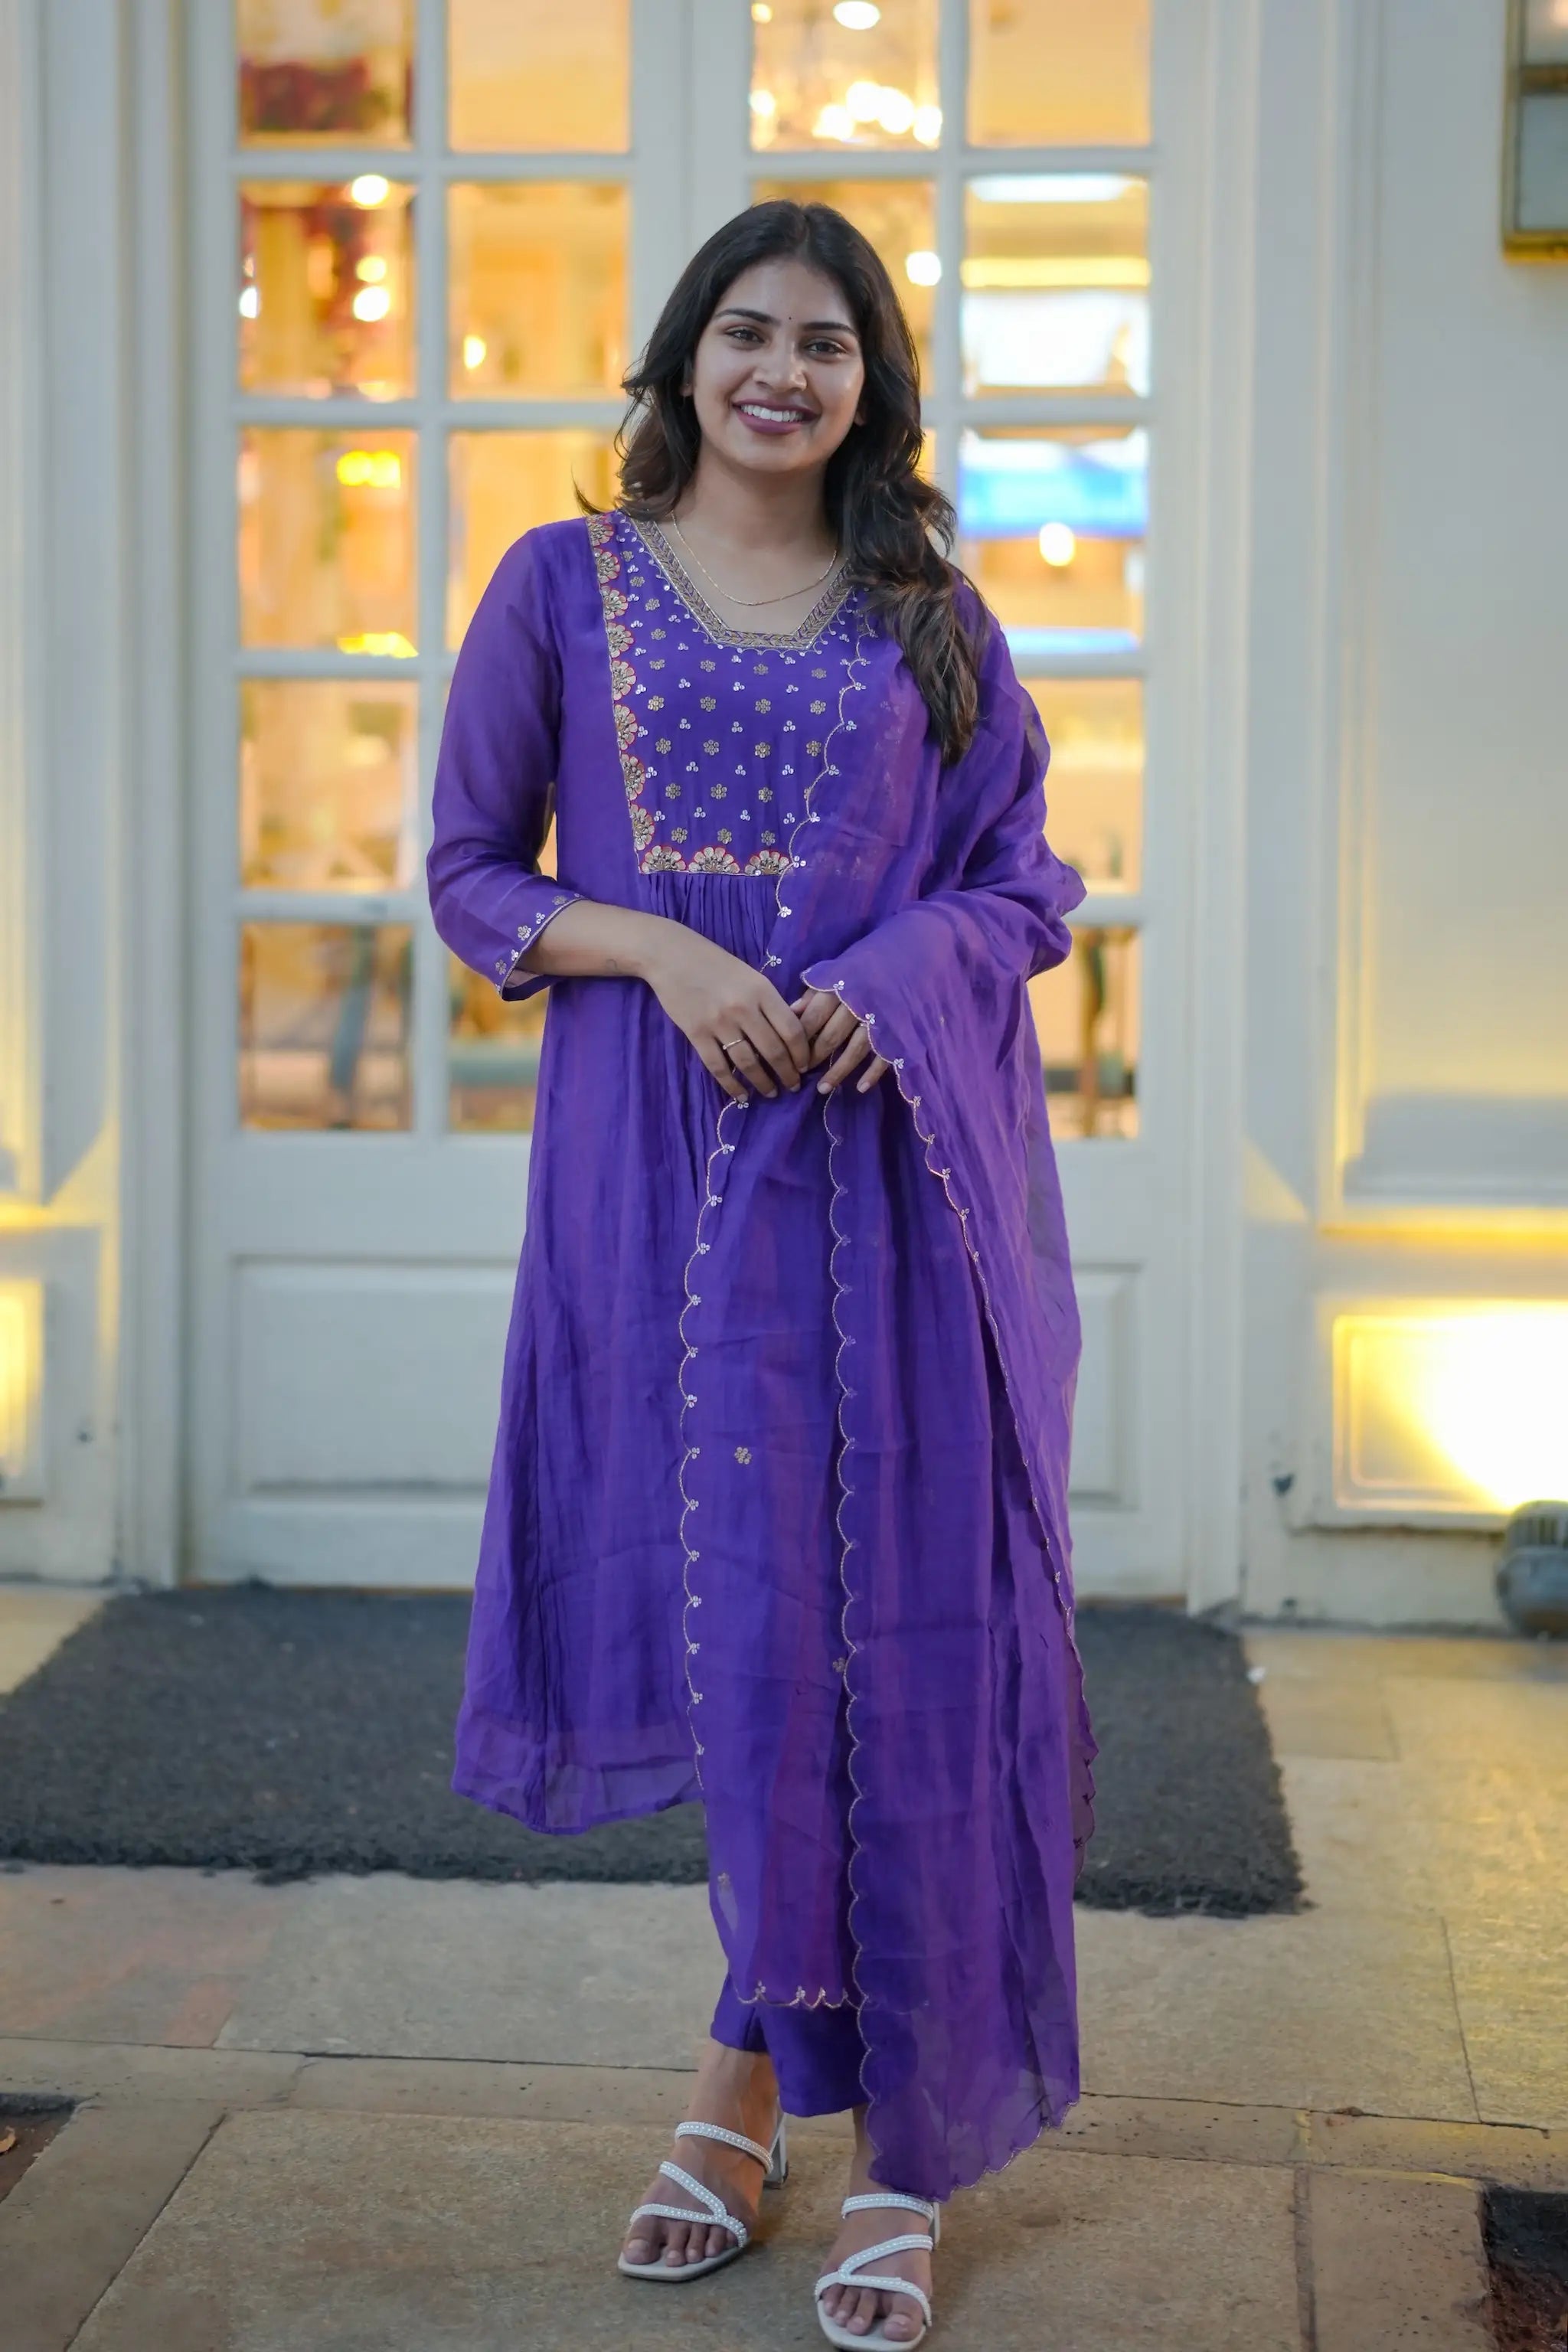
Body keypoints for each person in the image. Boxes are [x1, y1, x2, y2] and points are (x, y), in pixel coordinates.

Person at [427, 199, 1096, 2350]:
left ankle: (883, 2132)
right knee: (738, 1632)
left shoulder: (930, 616)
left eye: (825, 342)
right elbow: (467, 872)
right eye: (747, 332)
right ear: (683, 358)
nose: (781, 372)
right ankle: (750, 2073)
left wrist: (896, 968)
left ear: (869, 384)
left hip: (895, 1188)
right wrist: (664, 946)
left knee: (898, 1632)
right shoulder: (562, 586)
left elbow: (1027, 879)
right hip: (661, 1182)